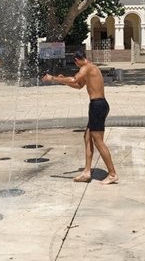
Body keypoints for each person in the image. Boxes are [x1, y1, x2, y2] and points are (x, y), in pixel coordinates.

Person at [42, 50, 119, 185]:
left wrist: (53, 78)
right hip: (98, 105)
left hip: (98, 105)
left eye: (76, 64)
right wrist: (63, 81)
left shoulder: (86, 67)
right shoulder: (91, 68)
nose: (77, 66)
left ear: (77, 60)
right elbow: (78, 85)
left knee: (98, 141)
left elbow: (75, 79)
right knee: (87, 137)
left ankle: (112, 174)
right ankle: (87, 172)